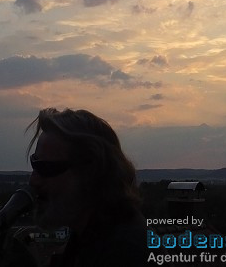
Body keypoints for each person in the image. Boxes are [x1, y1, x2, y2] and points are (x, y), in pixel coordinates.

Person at [27, 107, 145, 267]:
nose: (33, 181)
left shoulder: (125, 253)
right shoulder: (89, 238)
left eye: (46, 168)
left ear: (91, 173)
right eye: (34, 163)